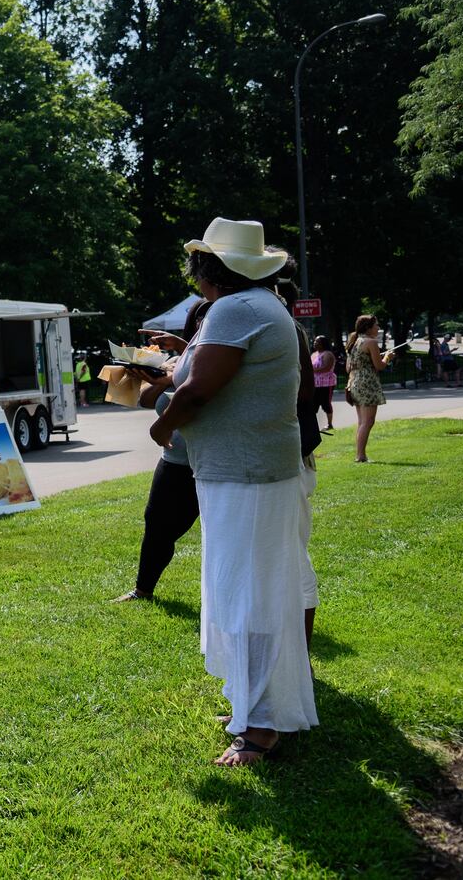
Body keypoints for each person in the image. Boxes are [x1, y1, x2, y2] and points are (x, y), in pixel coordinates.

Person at [150, 217, 316, 766]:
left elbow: (198, 388)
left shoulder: (235, 309)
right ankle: (252, 704)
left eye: (197, 266)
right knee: (252, 589)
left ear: (209, 268)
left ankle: (263, 725)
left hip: (245, 473)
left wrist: (164, 425)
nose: (195, 276)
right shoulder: (265, 306)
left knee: (249, 596)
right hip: (252, 469)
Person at [112, 300, 209, 603]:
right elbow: (144, 400)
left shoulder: (221, 359)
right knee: (157, 523)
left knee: (218, 531)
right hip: (175, 459)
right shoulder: (179, 360)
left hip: (213, 459)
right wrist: (165, 376)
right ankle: (143, 590)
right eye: (200, 321)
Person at [345, 315, 395, 463]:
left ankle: (360, 455)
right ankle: (360, 456)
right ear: (368, 327)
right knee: (368, 422)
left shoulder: (354, 342)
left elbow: (348, 367)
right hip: (368, 384)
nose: (378, 328)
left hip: (355, 382)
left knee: (362, 422)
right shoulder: (371, 342)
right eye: (376, 325)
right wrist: (387, 357)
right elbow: (379, 366)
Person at [311, 335, 337, 430]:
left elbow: (327, 368)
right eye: (315, 341)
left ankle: (330, 424)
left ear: (323, 344)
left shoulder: (328, 354)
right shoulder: (314, 354)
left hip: (327, 383)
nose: (315, 343)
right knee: (314, 404)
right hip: (315, 384)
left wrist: (312, 370)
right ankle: (313, 426)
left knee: (326, 403)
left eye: (317, 342)